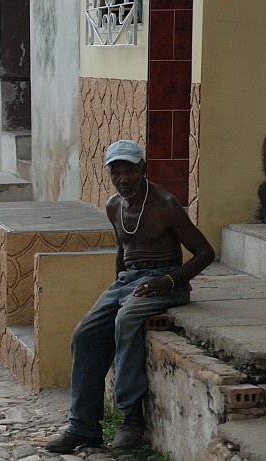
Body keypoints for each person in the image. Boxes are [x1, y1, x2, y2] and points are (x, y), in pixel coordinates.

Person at [45, 140, 215, 454]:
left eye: (130, 171)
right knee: (84, 335)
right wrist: (116, 291)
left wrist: (167, 281)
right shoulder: (114, 206)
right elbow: (123, 252)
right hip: (128, 281)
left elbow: (206, 253)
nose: (123, 179)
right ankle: (84, 428)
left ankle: (130, 416)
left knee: (127, 319)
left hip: (165, 280)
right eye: (116, 173)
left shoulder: (165, 204)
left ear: (143, 170)